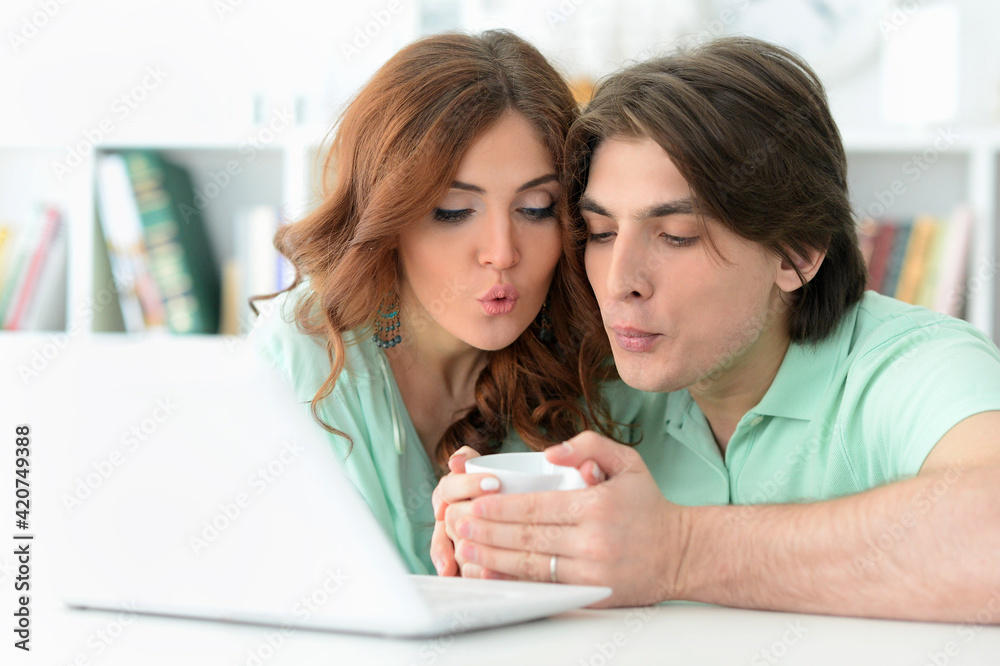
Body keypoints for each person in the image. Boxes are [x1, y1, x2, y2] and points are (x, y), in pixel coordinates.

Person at [434, 36, 1000, 622]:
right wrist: (487, 540)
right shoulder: (598, 389)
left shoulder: (919, 366)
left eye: (677, 235)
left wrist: (678, 551)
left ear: (798, 252)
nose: (620, 281)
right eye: (602, 233)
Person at [248, 29, 634, 576]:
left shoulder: (597, 358)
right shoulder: (300, 359)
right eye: (453, 211)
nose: (502, 253)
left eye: (535, 208)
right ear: (389, 217)